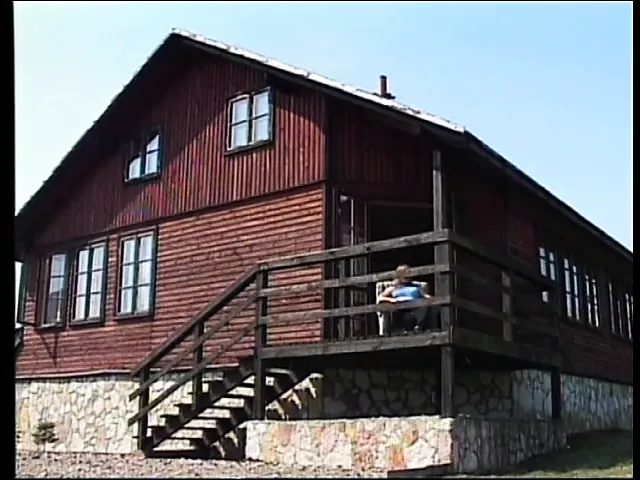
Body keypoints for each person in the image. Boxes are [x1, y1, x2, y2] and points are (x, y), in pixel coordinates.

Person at [378, 264, 438, 334]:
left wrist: (434, 300)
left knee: (425, 306)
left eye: (409, 273)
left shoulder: (416, 287)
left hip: (416, 307)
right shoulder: (394, 287)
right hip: (401, 308)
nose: (408, 275)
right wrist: (391, 300)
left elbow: (425, 296)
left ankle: (418, 327)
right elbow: (380, 297)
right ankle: (402, 329)